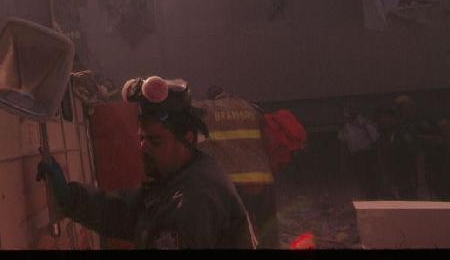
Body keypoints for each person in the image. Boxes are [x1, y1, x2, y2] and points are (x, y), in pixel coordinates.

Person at [36, 75, 256, 249]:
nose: (143, 147)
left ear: (187, 138)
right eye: (142, 138)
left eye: (155, 141)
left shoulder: (194, 201)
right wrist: (70, 198)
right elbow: (123, 211)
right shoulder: (176, 180)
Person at [197, 86, 279, 248]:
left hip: (231, 181)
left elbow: (203, 147)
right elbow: (268, 140)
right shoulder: (251, 108)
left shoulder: (208, 110)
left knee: (236, 228)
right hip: (261, 177)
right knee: (266, 225)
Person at [337, 106, 381, 199]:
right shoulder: (345, 127)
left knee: (374, 181)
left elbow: (376, 140)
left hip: (368, 155)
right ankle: (370, 199)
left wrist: (378, 157)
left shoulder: (365, 124)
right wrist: (343, 161)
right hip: (356, 156)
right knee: (362, 181)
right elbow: (343, 145)